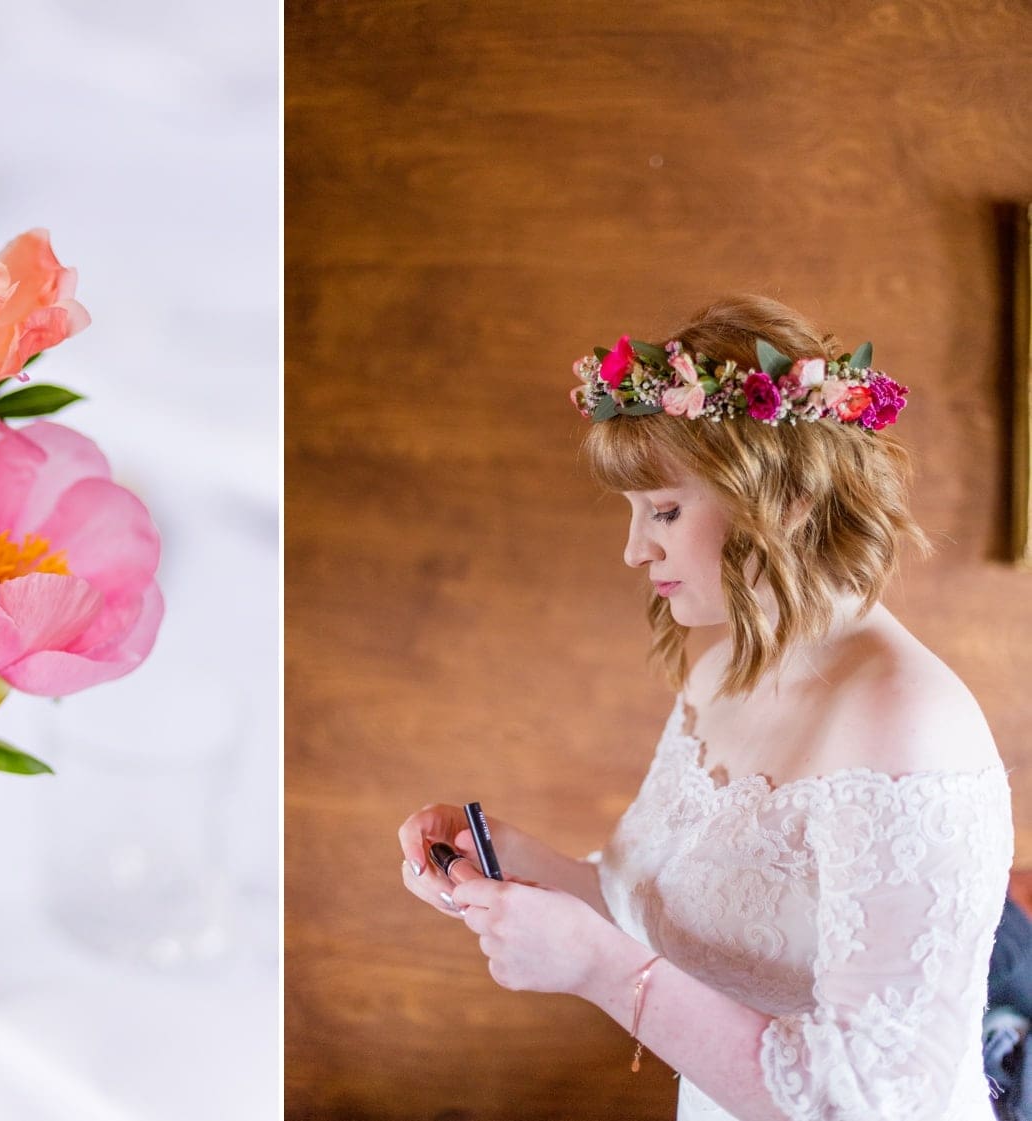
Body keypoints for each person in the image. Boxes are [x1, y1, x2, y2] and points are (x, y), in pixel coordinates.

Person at [398, 295, 1014, 1121]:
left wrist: (600, 969)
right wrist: (509, 858)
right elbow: (654, 902)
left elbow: (876, 1101)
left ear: (786, 499)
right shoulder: (724, 664)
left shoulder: (906, 721)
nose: (633, 549)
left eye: (664, 510)